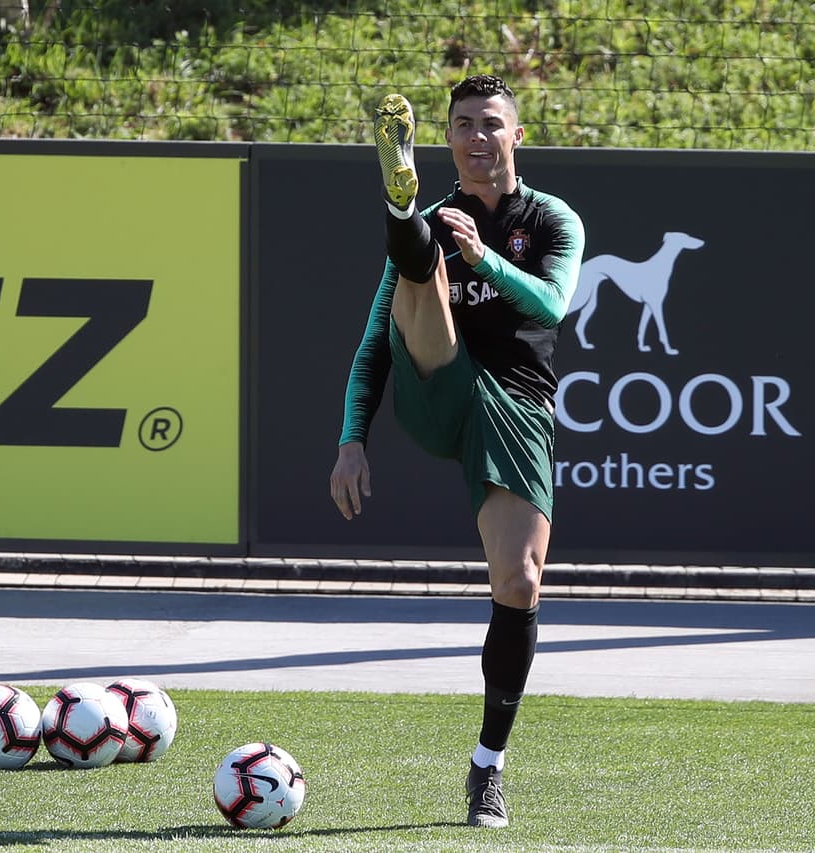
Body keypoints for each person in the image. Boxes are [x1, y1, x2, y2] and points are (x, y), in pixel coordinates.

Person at [329, 74, 584, 828]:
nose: (479, 136)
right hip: (436, 380)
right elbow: (376, 338)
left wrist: (489, 259)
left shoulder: (552, 220)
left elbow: (553, 305)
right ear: (446, 138)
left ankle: (486, 768)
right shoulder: (449, 218)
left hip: (515, 406)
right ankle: (398, 203)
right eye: (464, 123)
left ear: (517, 135)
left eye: (492, 123)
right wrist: (351, 440)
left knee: (521, 581)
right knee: (421, 266)